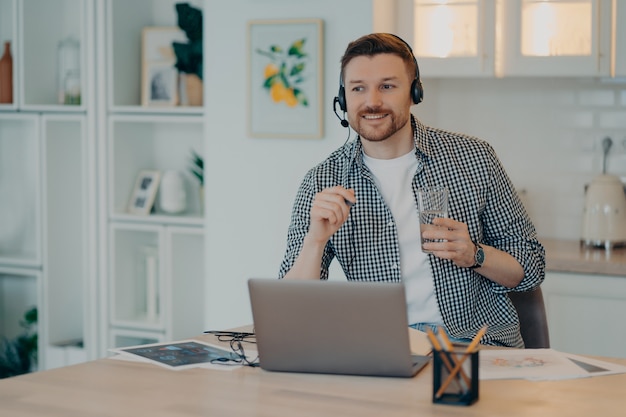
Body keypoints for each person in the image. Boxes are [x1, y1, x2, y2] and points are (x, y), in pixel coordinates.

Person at [277, 33, 545, 348]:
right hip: (384, 351)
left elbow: (530, 266)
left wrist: (474, 254)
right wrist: (315, 241)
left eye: (387, 86)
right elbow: (292, 309)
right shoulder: (323, 180)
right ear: (343, 99)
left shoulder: (474, 158)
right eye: (358, 88)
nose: (372, 101)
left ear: (414, 92)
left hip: (475, 348)